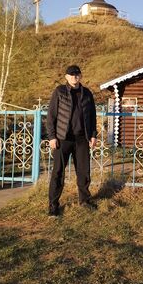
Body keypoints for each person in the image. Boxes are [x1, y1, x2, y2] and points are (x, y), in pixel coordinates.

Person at [46, 65, 97, 216]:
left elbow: (92, 116)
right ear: (66, 77)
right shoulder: (59, 91)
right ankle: (53, 205)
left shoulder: (87, 93)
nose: (75, 76)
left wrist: (93, 135)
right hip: (63, 139)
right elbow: (51, 116)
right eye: (72, 74)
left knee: (84, 171)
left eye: (77, 74)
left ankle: (85, 201)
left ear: (80, 76)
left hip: (82, 139)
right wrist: (52, 137)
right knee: (58, 172)